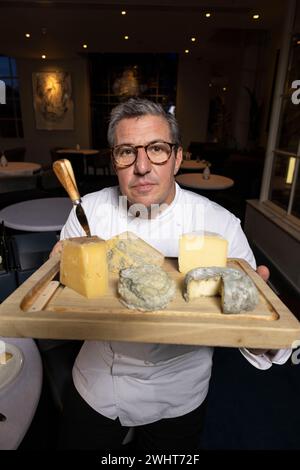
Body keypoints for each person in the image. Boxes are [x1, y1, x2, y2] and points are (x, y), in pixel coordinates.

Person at [52, 98, 291, 452]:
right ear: (114, 161)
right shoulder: (87, 212)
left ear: (178, 158)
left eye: (158, 149)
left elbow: (257, 332)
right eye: (126, 152)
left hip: (178, 392)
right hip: (98, 383)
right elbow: (59, 298)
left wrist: (262, 332)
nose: (142, 166)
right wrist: (55, 271)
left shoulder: (220, 224)